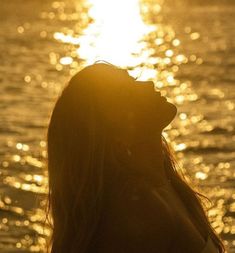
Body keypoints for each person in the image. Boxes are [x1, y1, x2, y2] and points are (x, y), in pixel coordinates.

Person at [46, 62, 225, 253]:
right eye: (128, 92)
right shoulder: (139, 212)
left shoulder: (166, 184)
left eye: (135, 80)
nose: (148, 84)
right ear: (115, 129)